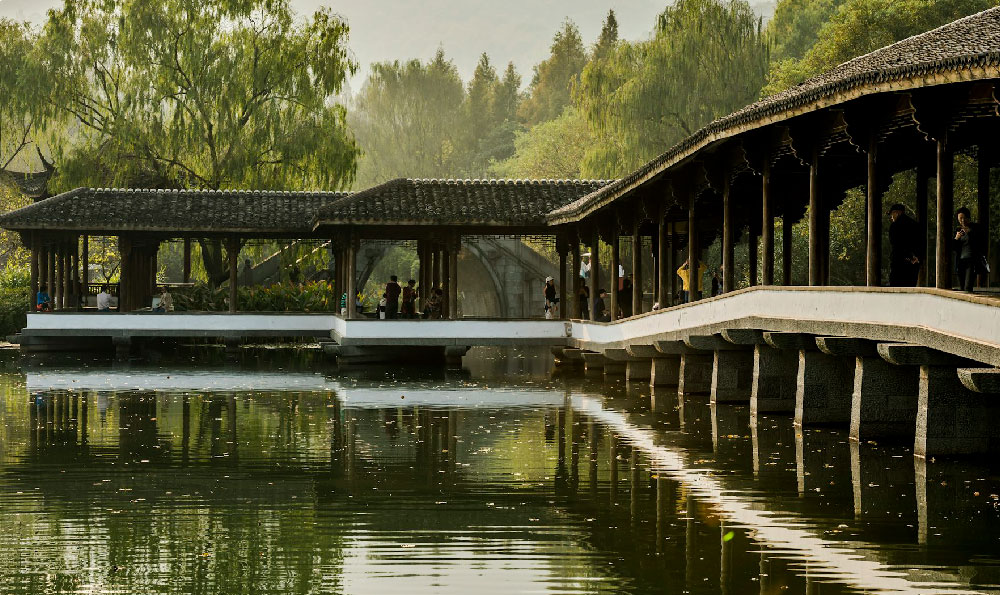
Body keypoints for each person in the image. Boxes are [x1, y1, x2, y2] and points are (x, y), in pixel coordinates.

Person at [954, 207, 988, 292]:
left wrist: (969, 232)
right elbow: (954, 248)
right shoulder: (958, 230)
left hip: (971, 261)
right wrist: (956, 238)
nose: (962, 220)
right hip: (961, 262)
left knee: (967, 288)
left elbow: (981, 243)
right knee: (962, 288)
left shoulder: (976, 228)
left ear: (968, 217)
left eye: (963, 218)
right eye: (959, 219)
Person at [888, 203, 922, 287]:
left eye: (892, 214)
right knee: (910, 287)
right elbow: (921, 242)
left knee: (896, 288)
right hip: (913, 263)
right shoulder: (915, 225)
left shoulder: (894, 226)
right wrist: (916, 257)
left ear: (897, 213)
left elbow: (896, 244)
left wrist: (908, 256)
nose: (891, 217)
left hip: (898, 262)